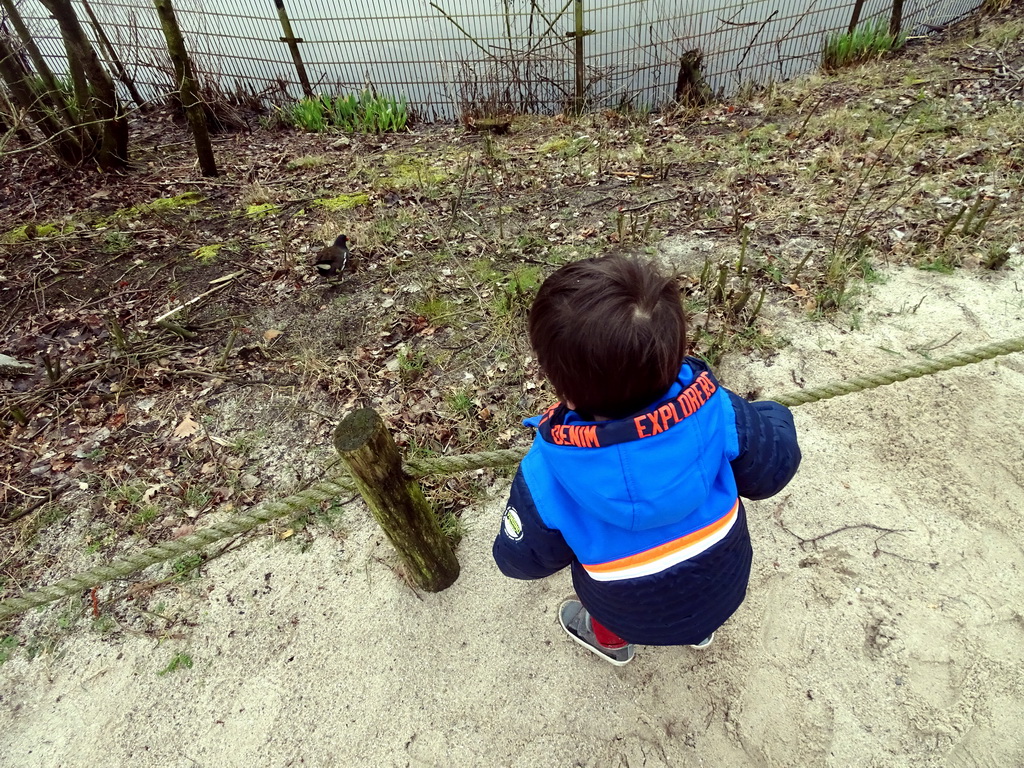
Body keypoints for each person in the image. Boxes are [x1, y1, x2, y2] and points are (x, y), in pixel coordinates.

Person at [493, 255, 801, 665]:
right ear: (674, 356)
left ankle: (611, 642)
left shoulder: (544, 474)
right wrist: (772, 414)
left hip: (624, 611)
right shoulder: (719, 411)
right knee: (698, 583)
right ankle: (699, 630)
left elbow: (522, 561)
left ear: (562, 388)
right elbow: (774, 469)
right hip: (724, 588)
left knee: (610, 604)